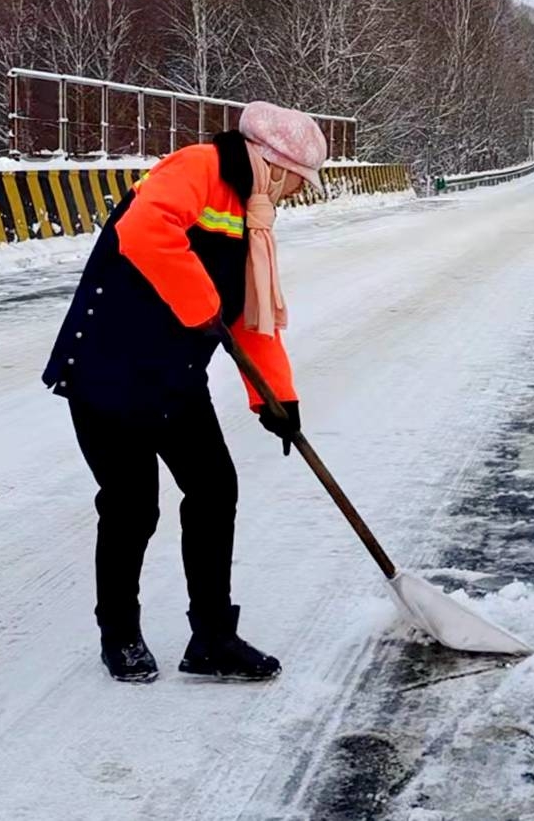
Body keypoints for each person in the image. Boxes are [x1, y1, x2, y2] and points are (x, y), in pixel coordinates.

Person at [42, 102, 327, 683]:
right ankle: (119, 635)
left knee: (214, 488)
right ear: (274, 163)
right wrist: (201, 305)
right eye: (301, 179)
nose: (301, 192)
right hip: (106, 367)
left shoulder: (255, 216)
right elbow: (143, 231)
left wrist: (276, 398)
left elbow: (250, 316)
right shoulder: (198, 167)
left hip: (172, 376)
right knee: (132, 505)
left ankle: (213, 637)